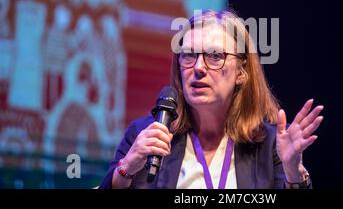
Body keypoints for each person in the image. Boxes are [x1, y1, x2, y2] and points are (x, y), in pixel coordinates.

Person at [99, 10, 324, 189]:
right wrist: (126, 168)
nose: (198, 68)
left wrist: (293, 172)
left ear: (241, 72)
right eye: (189, 55)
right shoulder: (144, 134)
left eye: (215, 56)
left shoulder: (270, 145)